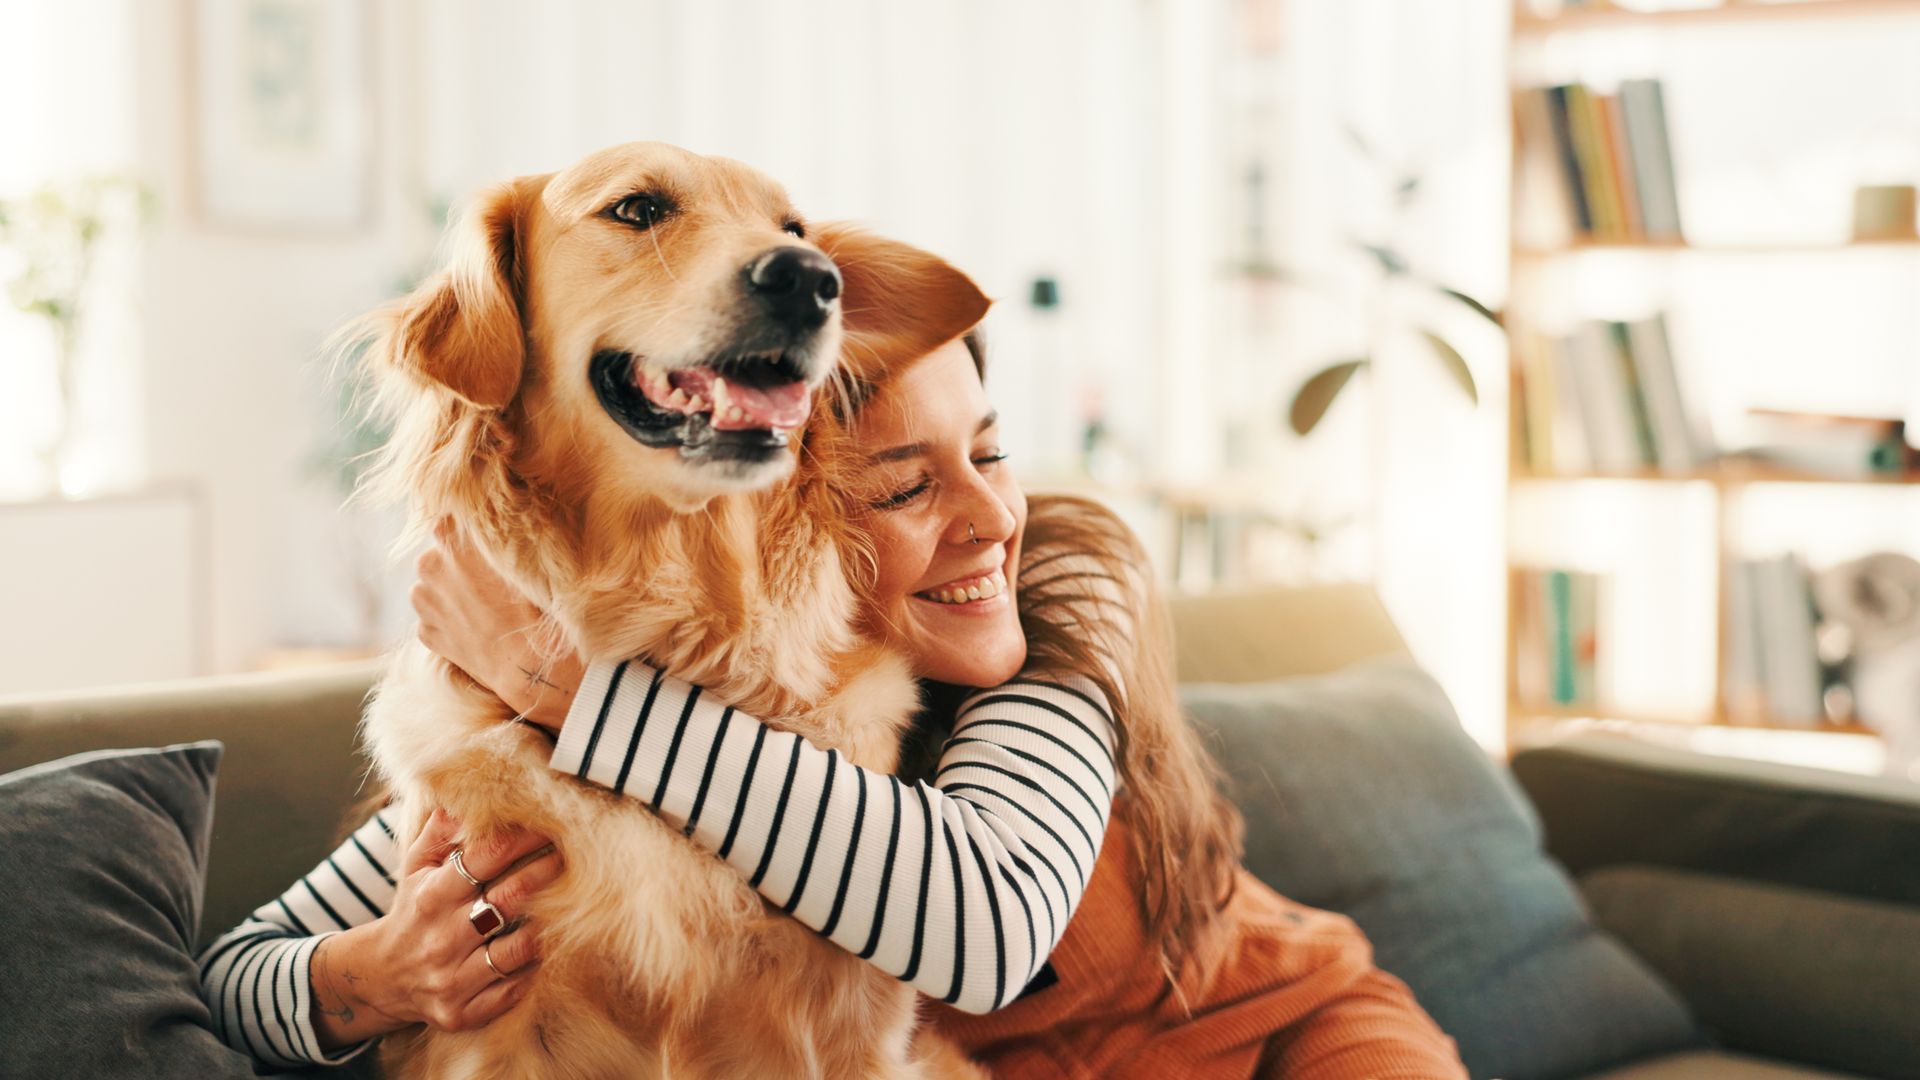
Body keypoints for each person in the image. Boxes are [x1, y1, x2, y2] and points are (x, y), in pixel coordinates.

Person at [200, 327, 1467, 1077]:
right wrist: (374, 975)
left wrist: (569, 691)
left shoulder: (1064, 584)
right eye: (907, 486)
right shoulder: (664, 726)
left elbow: (981, 919)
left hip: (1294, 1045)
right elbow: (231, 977)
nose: (989, 517)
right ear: (775, 529)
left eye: (991, 446)